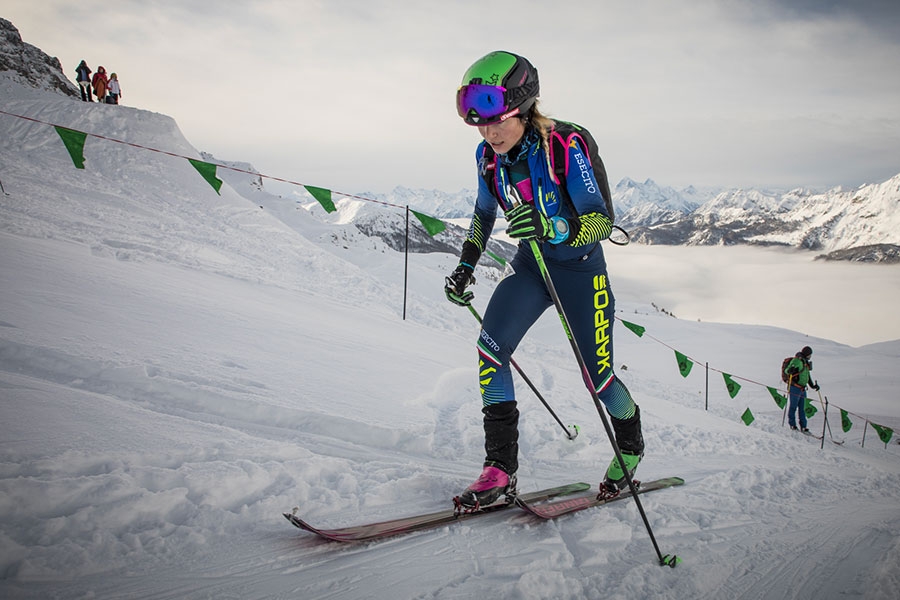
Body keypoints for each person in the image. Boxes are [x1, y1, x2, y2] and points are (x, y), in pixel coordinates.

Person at [445, 51, 645, 509]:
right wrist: (465, 266)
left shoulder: (565, 146)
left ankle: (631, 447)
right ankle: (499, 469)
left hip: (580, 271)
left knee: (598, 378)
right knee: (490, 348)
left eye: (496, 122)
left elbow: (601, 221)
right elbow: (483, 215)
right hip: (532, 267)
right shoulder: (487, 158)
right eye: (479, 123)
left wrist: (554, 228)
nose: (487, 133)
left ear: (521, 106)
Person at [784, 345, 819, 432]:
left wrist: (812, 385)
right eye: (810, 354)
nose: (811, 356)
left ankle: (803, 426)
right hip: (795, 388)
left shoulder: (805, 362)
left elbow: (807, 375)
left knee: (802, 408)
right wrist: (790, 370)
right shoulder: (797, 361)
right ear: (807, 354)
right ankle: (792, 425)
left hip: (802, 389)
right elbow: (787, 370)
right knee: (793, 407)